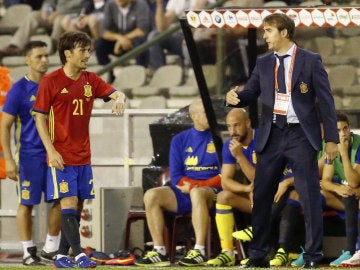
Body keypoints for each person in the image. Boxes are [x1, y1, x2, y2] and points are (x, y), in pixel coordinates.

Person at [225, 13, 339, 268]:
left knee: (309, 196)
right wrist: (234, 98)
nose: (264, 36)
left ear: (284, 33)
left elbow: (326, 101)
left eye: (268, 31)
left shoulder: (311, 61)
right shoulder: (263, 63)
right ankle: (257, 255)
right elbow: (250, 93)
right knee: (263, 195)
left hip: (300, 134)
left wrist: (331, 139)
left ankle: (312, 256)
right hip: (271, 134)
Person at [33, 31, 126, 268]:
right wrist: (51, 151)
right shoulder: (50, 81)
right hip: (60, 155)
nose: (87, 54)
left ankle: (62, 256)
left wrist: (120, 98)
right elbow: (39, 119)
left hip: (83, 155)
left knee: (79, 204)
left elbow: (115, 92)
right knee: (69, 201)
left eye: (88, 50)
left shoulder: (90, 80)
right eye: (82, 50)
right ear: (68, 54)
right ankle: (79, 254)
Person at [135, 99, 222, 267]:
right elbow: (176, 176)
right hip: (185, 190)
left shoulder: (220, 137)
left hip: (212, 192)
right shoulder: (180, 140)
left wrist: (197, 186)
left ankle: (199, 250)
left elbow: (224, 175)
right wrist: (192, 187)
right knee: (151, 195)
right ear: (193, 116)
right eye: (205, 112)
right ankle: (160, 252)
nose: (211, 115)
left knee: (198, 193)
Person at [206, 108, 295, 267]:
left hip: (281, 196)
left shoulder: (264, 139)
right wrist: (247, 190)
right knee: (223, 196)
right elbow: (225, 181)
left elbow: (260, 178)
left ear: (247, 123)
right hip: (257, 198)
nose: (232, 131)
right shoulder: (230, 145)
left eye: (236, 125)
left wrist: (240, 156)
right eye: (229, 126)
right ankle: (227, 252)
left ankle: (257, 238)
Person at [0, 41, 61, 266]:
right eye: (38, 56)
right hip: (30, 156)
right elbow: (4, 125)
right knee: (27, 202)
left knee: (61, 199)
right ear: (27, 60)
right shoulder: (19, 90)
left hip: (55, 155)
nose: (44, 60)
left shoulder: (55, 85)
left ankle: (51, 248)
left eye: (46, 56)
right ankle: (27, 252)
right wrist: (8, 160)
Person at [320, 112, 360, 267]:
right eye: (338, 130)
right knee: (315, 196)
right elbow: (325, 181)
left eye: (345, 129)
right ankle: (308, 251)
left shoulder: (358, 144)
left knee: (352, 192)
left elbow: (354, 181)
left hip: (357, 192)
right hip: (349, 195)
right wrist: (338, 189)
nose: (343, 134)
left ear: (350, 129)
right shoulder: (330, 147)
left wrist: (343, 153)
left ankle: (352, 251)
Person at [94, 0, 152, 83]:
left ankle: (141, 74)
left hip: (136, 41)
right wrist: (119, 38)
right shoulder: (110, 5)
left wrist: (122, 40)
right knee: (99, 43)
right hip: (119, 43)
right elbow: (103, 31)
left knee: (140, 42)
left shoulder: (141, 4)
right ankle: (108, 76)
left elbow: (142, 30)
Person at [0, 0, 83, 56]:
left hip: (72, 15)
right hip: (54, 14)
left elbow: (81, 6)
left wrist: (58, 13)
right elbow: (49, 1)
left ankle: (53, 49)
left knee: (58, 21)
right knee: (32, 16)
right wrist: (47, 10)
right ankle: (15, 46)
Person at [148, 0, 211, 70]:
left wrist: (188, 36)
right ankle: (160, 74)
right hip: (183, 36)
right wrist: (159, 4)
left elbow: (196, 14)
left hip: (204, 36)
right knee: (154, 36)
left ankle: (197, 75)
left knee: (188, 45)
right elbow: (162, 28)